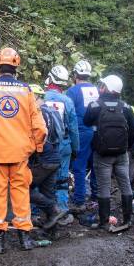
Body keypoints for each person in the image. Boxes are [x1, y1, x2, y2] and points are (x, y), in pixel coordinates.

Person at [0, 48, 47, 253]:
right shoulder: (26, 90)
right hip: (21, 153)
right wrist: (38, 148)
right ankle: (25, 239)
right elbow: (39, 126)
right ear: (16, 66)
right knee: (21, 194)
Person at [83, 74, 134, 229]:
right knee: (125, 185)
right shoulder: (126, 108)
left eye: (103, 85)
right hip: (121, 154)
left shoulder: (95, 106)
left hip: (102, 155)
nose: (101, 87)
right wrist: (126, 148)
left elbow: (86, 121)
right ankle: (128, 219)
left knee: (104, 187)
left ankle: (104, 222)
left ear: (106, 88)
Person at [43, 65, 79, 225]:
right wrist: (75, 149)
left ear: (50, 79)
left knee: (38, 178)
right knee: (62, 179)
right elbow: (73, 128)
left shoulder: (39, 97)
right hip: (63, 145)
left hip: (41, 145)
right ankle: (62, 211)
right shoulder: (67, 101)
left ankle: (37, 212)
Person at [28, 84, 67, 229]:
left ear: (34, 96)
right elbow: (60, 134)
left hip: (43, 159)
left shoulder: (36, 113)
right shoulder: (53, 111)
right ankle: (52, 231)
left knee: (22, 189)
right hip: (55, 158)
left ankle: (54, 209)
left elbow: (36, 138)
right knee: (48, 193)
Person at [65, 60, 99, 213]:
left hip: (82, 132)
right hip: (98, 131)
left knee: (79, 165)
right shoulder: (97, 90)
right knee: (95, 164)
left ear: (75, 75)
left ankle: (79, 199)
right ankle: (96, 196)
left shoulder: (72, 91)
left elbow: (68, 114)